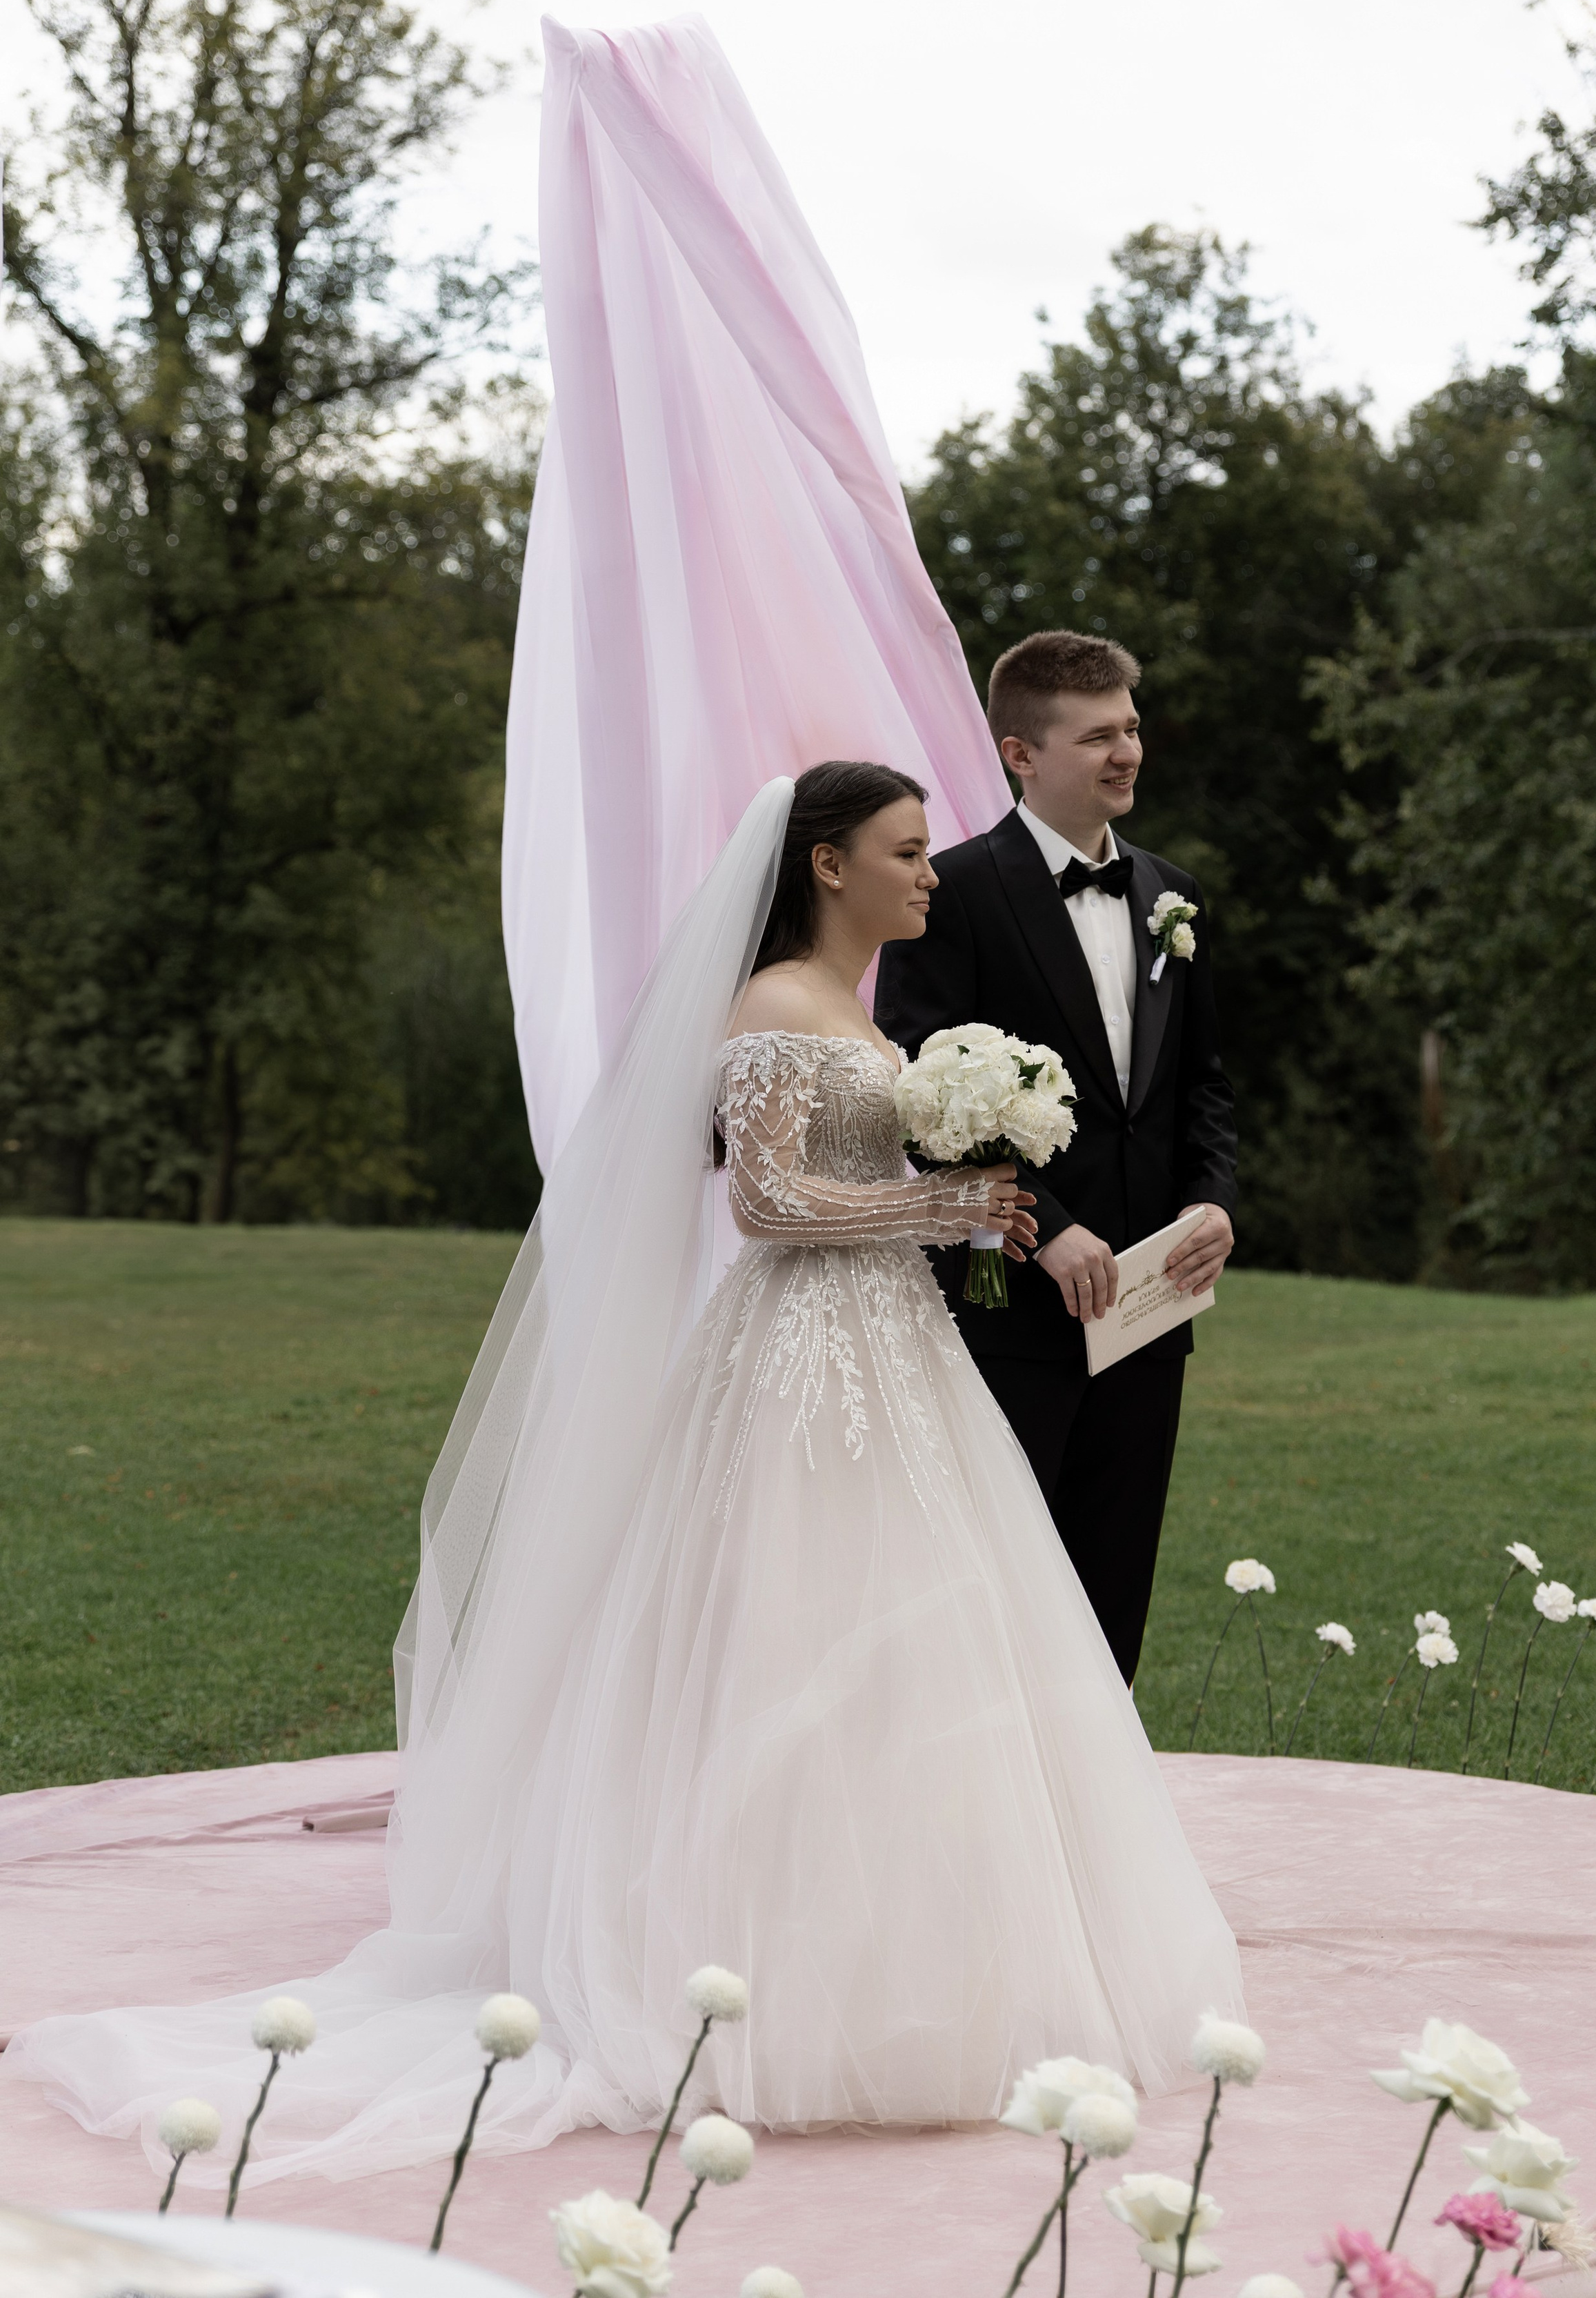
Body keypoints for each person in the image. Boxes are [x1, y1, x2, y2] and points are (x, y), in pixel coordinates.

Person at [10, 762, 1239, 2179]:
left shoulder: (852, 1009)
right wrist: (941, 1199)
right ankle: (751, 1965)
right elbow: (766, 1202)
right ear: (828, 865)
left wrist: (963, 1208)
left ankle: (918, 1949)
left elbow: (844, 1187)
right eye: (905, 853)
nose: (928, 875)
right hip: (798, 1357)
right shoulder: (773, 1005)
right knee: (789, 1630)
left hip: (897, 1344)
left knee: (919, 1637)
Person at [875, 634, 1236, 1683]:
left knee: (1114, 1584)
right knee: (992, 1583)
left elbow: (1202, 1086)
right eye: (1097, 735)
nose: (1128, 752)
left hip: (1150, 1306)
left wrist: (1213, 1202)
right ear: (1022, 753)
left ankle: (1099, 1787)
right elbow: (920, 1097)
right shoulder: (950, 892)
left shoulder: (1171, 894)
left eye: (1132, 727)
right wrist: (1049, 1229)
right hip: (1005, 1306)